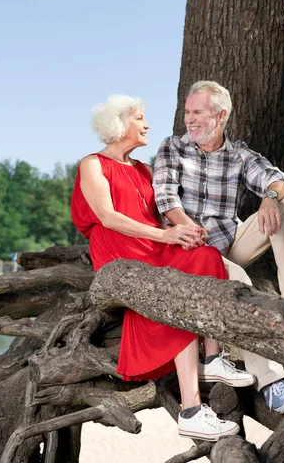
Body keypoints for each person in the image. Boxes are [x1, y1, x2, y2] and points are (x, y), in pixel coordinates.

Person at [71, 94, 256, 441]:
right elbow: (108, 217)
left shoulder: (143, 169)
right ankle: (190, 410)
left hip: (153, 247)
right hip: (119, 253)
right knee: (173, 296)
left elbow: (160, 212)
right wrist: (165, 235)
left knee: (206, 256)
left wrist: (183, 233)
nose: (147, 125)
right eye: (140, 118)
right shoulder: (92, 164)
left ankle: (211, 358)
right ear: (120, 123)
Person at [153, 80, 284, 414]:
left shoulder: (239, 154)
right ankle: (271, 382)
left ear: (220, 115)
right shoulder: (173, 148)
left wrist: (270, 197)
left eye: (197, 112)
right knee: (239, 278)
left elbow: (275, 178)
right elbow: (165, 196)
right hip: (191, 249)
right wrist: (186, 226)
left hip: (229, 241)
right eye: (187, 112)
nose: (189, 119)